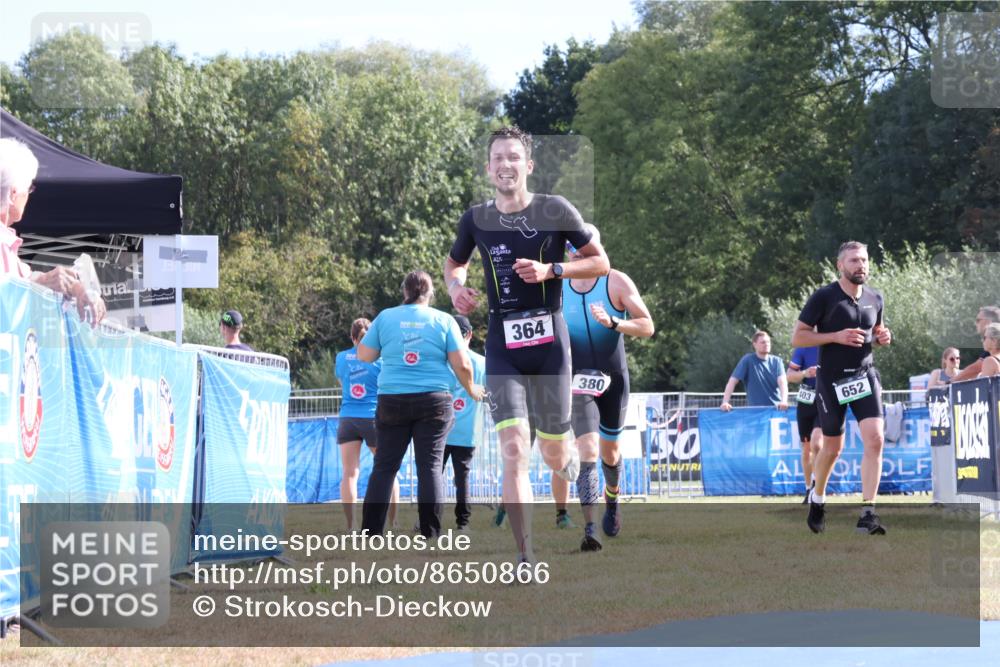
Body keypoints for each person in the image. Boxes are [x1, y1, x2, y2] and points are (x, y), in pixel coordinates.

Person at [443, 126, 610, 564]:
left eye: (513, 157)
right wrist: (455, 288)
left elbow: (600, 262)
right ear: (488, 168)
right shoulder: (475, 219)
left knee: (554, 452)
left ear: (528, 165)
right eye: (498, 157)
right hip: (503, 346)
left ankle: (565, 461)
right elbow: (454, 263)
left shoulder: (555, 209)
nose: (505, 164)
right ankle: (525, 555)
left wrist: (552, 270)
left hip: (551, 345)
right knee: (514, 450)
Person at [550, 225, 655, 551]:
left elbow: (647, 326)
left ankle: (612, 500)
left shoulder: (616, 281)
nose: (577, 254)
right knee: (588, 449)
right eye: (572, 249)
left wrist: (614, 322)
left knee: (610, 451)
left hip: (614, 380)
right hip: (578, 381)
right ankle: (591, 528)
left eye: (584, 248)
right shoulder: (557, 287)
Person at [358, 271, 485, 537]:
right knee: (430, 467)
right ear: (431, 294)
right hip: (434, 401)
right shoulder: (444, 320)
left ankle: (370, 532)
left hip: (392, 399)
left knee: (384, 467)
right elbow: (462, 364)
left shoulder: (385, 317)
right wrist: (471, 387)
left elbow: (365, 355)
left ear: (404, 291)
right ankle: (430, 531)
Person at [791, 241, 892, 535]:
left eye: (864, 260)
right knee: (833, 449)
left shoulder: (875, 297)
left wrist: (883, 337)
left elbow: (875, 334)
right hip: (832, 380)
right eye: (854, 260)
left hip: (864, 376)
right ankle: (818, 499)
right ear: (840, 265)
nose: (860, 265)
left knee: (875, 439)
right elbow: (798, 337)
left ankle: (868, 514)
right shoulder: (824, 297)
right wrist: (835, 336)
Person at [0, 137, 106, 323]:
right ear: (14, 194)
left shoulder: (6, 241)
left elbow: (24, 277)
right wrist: (41, 283)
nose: (29, 196)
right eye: (29, 188)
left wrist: (72, 286)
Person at [334, 317, 398, 531]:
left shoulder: (341, 358)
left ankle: (350, 525)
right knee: (388, 470)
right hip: (373, 418)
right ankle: (393, 521)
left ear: (352, 337)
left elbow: (343, 384)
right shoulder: (380, 360)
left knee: (349, 473)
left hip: (347, 418)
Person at [443, 315, 487, 532]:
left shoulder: (442, 361)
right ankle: (463, 523)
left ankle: (426, 519)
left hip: (440, 429)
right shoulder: (482, 362)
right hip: (468, 431)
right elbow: (490, 393)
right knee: (463, 478)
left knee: (432, 475)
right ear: (469, 334)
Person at [787, 345, 823, 502]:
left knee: (817, 443)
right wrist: (804, 373)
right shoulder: (803, 347)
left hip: (825, 399)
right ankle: (809, 489)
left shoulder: (833, 343)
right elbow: (789, 376)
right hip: (806, 399)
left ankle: (817, 485)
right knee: (806, 448)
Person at [720, 332, 789, 411]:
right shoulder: (747, 360)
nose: (766, 344)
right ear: (754, 344)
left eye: (768, 342)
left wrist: (784, 401)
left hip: (776, 410)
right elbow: (732, 381)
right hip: (755, 412)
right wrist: (725, 402)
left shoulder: (777, 361)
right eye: (763, 342)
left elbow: (783, 383)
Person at [949, 306, 1000, 383]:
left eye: (978, 320)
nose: (975, 323)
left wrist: (950, 382)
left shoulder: (991, 357)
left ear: (988, 321)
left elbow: (976, 368)